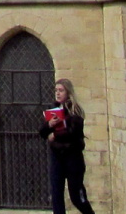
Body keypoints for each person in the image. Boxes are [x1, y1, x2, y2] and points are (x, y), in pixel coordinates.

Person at [38, 77, 95, 214]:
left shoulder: (75, 110)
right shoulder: (52, 110)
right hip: (56, 157)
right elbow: (42, 132)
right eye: (56, 90)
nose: (58, 93)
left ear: (68, 92)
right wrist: (49, 125)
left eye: (61, 90)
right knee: (56, 194)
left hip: (72, 157)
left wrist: (55, 135)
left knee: (76, 196)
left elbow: (74, 132)